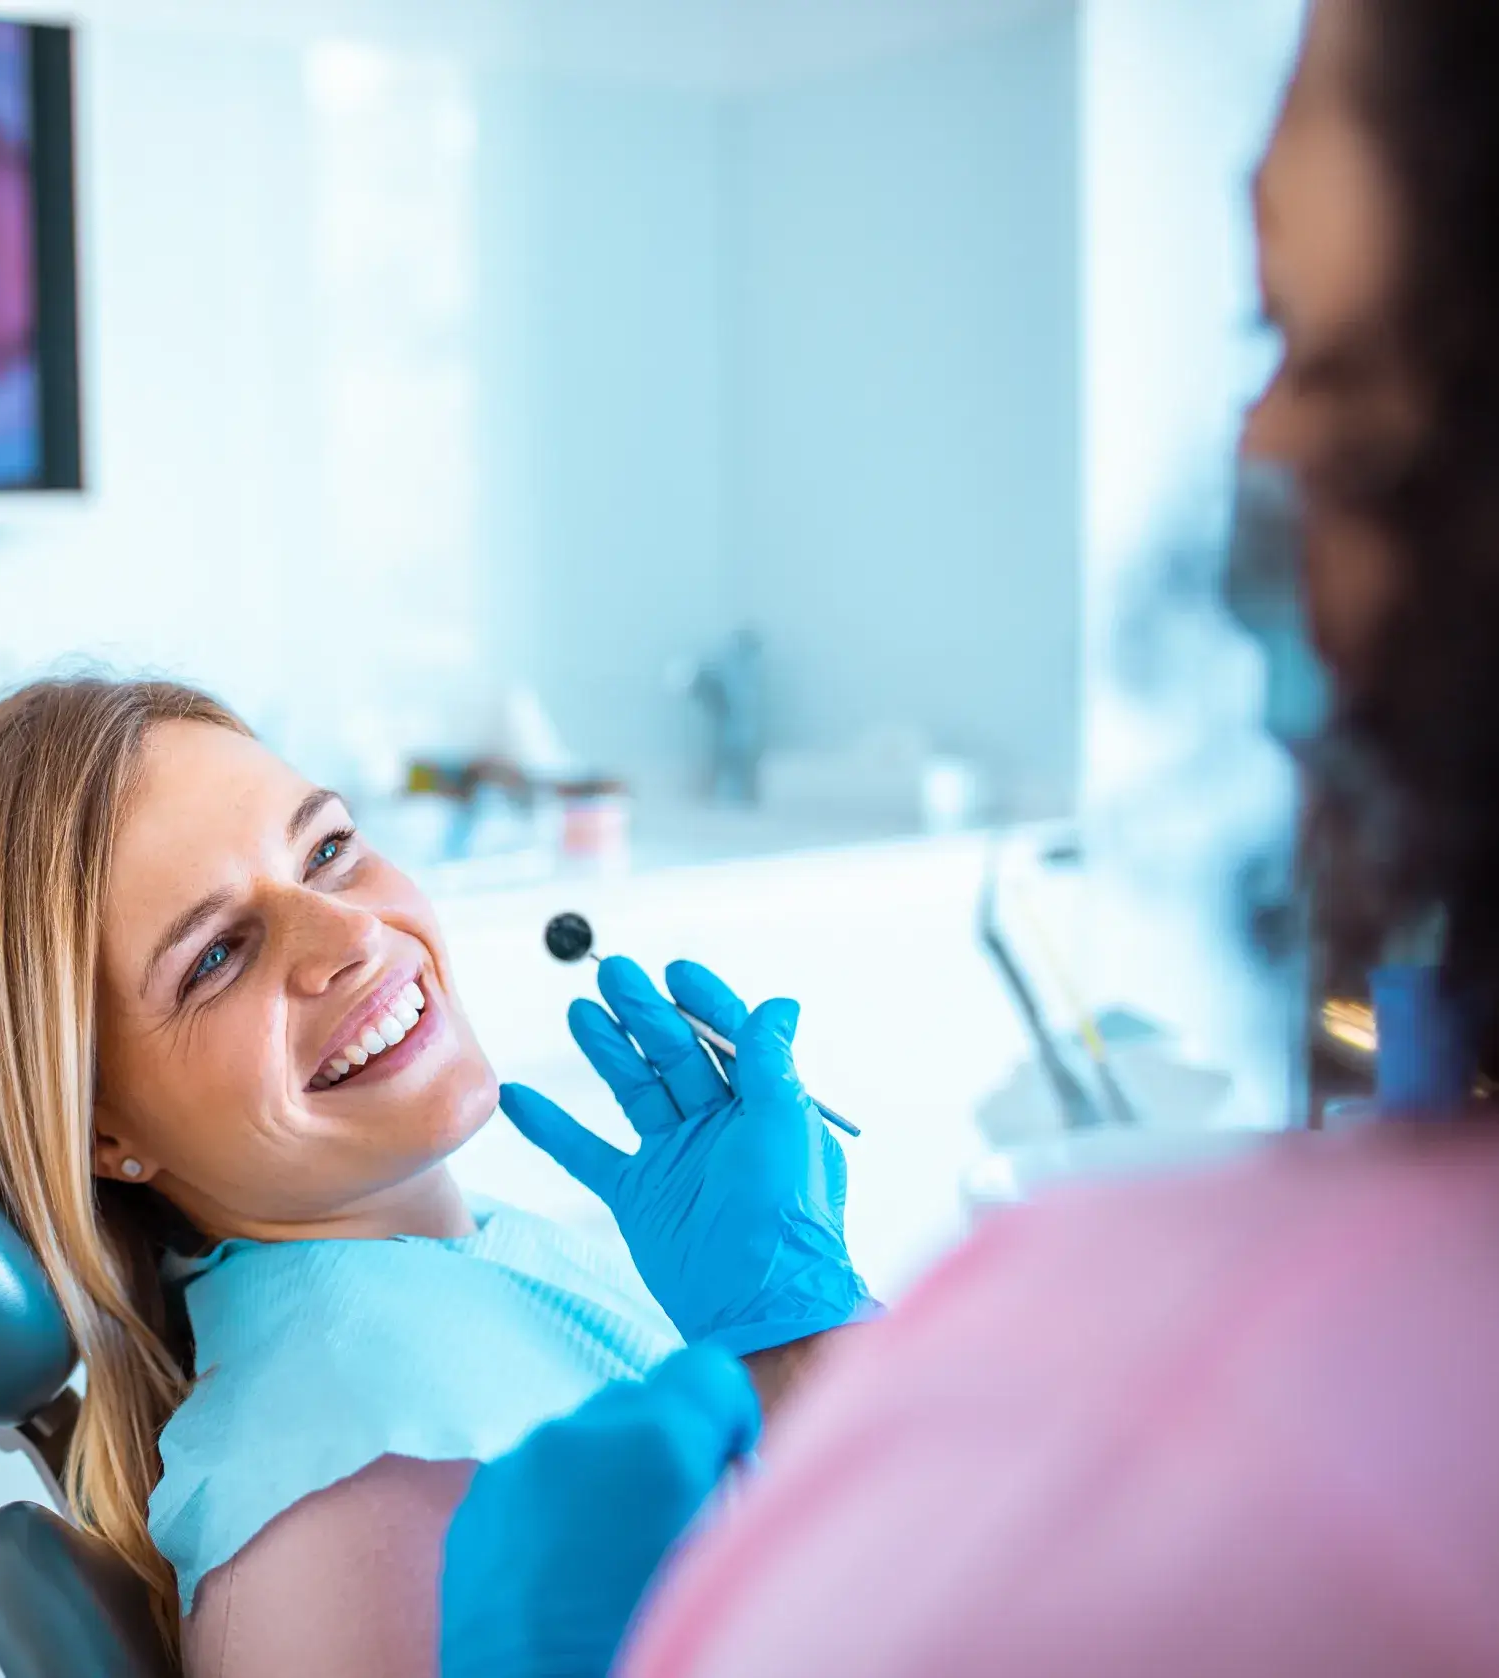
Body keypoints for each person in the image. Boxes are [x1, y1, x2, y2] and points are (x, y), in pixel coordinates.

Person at [439, 1, 1499, 1672]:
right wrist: (800, 1333)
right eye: (1260, 343)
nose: (1255, 455)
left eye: (1325, 352)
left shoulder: (1206, 1413)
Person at [0, 676, 872, 1677]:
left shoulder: (448, 1262)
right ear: (104, 1131)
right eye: (217, 955)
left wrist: (795, 1330)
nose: (352, 934)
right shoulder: (358, 1490)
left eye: (327, 849)